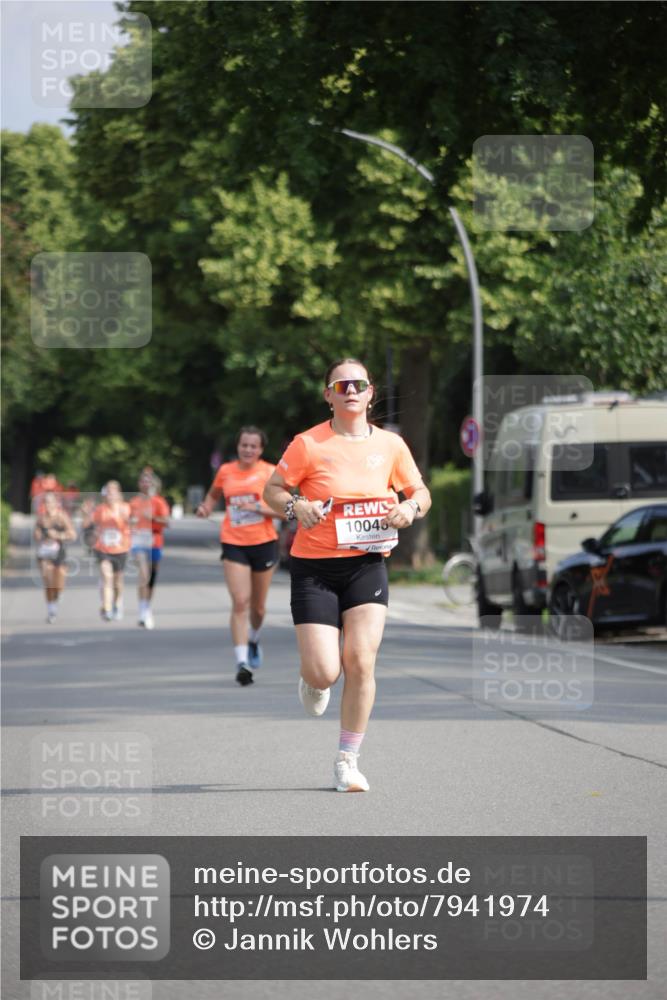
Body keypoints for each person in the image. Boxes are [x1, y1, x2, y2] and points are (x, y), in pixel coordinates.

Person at [264, 358, 431, 793]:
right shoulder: (308, 444)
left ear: (371, 392)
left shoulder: (392, 446)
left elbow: (420, 492)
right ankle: (313, 677)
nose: (351, 391)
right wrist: (295, 507)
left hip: (367, 565)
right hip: (314, 568)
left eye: (359, 384)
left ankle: (347, 760)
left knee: (361, 660)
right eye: (342, 386)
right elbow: (272, 490)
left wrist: (409, 509)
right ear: (329, 395)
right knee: (326, 672)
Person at [196, 427, 280, 686]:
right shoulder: (226, 471)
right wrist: (206, 506)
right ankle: (242, 662)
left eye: (253, 446)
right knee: (240, 602)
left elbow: (287, 511)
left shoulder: (270, 472)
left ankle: (254, 639)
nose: (248, 450)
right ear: (238, 446)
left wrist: (256, 507)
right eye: (244, 445)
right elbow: (213, 494)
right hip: (233, 542)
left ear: (261, 450)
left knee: (258, 607)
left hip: (264, 542)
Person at [129, 470, 170, 629]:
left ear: (154, 484)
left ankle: (147, 607)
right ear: (139, 484)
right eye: (142, 481)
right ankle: (142, 612)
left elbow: (166, 522)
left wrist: (152, 518)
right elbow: (128, 522)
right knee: (143, 575)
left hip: (155, 541)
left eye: (148, 482)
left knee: (151, 579)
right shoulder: (133, 502)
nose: (145, 484)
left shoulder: (159, 502)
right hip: (139, 542)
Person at [85, 481, 131, 622]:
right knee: (107, 577)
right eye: (108, 491)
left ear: (119, 493)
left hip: (120, 548)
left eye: (113, 491)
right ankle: (107, 608)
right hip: (103, 548)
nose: (111, 494)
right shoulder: (100, 509)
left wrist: (126, 518)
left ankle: (117, 603)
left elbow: (134, 524)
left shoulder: (125, 508)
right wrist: (87, 514)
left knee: (118, 582)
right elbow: (87, 524)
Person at [34, 491, 76, 623]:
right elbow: (36, 536)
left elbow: (72, 535)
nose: (48, 505)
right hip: (44, 553)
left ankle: (58, 594)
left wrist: (57, 535)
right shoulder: (41, 518)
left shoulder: (61, 517)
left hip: (59, 553)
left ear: (56, 503)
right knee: (47, 580)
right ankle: (51, 611)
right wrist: (40, 534)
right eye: (46, 502)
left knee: (58, 584)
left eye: (51, 502)